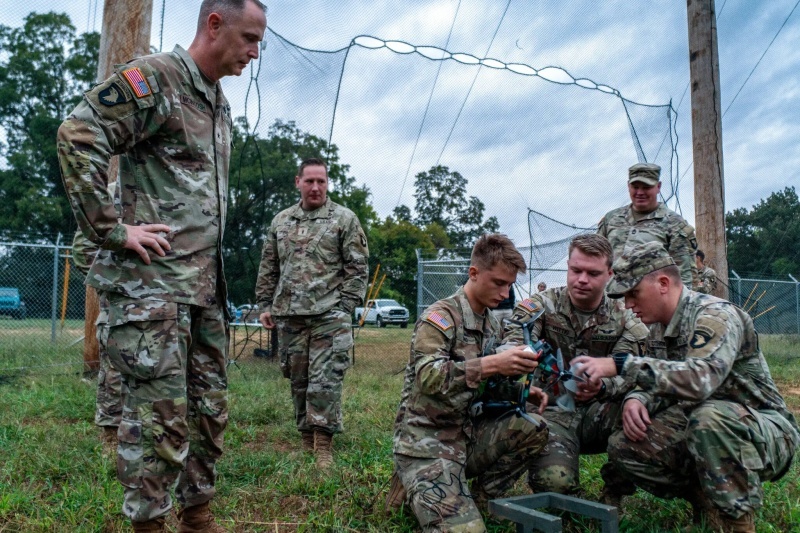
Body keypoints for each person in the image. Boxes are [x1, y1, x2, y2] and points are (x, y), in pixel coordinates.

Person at [57, 1, 267, 530]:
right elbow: (79, 134)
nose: (254, 52)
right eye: (247, 37)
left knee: (207, 413)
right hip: (154, 293)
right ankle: (150, 523)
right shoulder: (157, 79)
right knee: (158, 423)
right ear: (213, 25)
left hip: (203, 292)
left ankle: (198, 516)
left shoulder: (216, 101)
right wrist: (112, 229)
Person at [573, 242, 799, 532]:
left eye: (633, 293)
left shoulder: (714, 316)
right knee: (625, 446)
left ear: (663, 283)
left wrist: (620, 364)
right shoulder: (657, 328)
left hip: (764, 430)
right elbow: (662, 377)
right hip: (705, 422)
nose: (628, 304)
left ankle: (737, 523)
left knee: (710, 419)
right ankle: (707, 497)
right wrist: (637, 399)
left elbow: (698, 380)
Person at [389, 233, 549, 532]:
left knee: (534, 427)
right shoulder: (439, 316)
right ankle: (416, 478)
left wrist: (519, 390)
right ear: (473, 273)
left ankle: (480, 499)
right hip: (428, 442)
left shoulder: (491, 322)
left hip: (467, 435)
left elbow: (482, 384)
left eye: (509, 284)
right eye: (498, 282)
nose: (505, 292)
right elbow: (429, 377)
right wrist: (492, 364)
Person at [501, 233, 649, 498]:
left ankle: (615, 492)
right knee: (555, 487)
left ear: (609, 274)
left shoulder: (625, 317)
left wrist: (603, 386)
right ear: (567, 266)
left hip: (601, 411)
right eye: (576, 270)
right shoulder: (541, 306)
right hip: (553, 412)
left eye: (593, 273)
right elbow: (514, 343)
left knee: (645, 414)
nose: (582, 279)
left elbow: (633, 369)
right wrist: (527, 355)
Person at [255, 157, 369, 468]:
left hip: (329, 315)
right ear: (298, 182)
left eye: (321, 181)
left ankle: (323, 447)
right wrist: (265, 304)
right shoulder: (281, 222)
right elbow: (269, 266)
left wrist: (344, 307)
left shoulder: (344, 219)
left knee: (325, 381)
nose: (316, 187)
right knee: (299, 379)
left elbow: (357, 268)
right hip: (291, 315)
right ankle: (306, 440)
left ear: (327, 183)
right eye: (310, 181)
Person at [597, 162, 698, 287]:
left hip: (651, 302)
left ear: (658, 186)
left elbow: (684, 279)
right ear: (628, 186)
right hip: (611, 300)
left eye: (646, 187)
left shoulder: (675, 225)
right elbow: (596, 260)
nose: (640, 192)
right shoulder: (611, 219)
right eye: (635, 186)